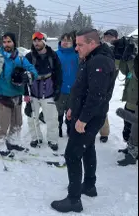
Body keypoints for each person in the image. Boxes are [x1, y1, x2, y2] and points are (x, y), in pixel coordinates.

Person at [51, 28, 116, 213]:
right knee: (88, 148)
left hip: (90, 116)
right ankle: (89, 185)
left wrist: (83, 119)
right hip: (85, 113)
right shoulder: (91, 57)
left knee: (72, 154)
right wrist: (73, 107)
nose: (76, 48)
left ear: (92, 43)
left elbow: (96, 95)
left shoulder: (99, 61)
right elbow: (82, 88)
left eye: (80, 45)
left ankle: (74, 200)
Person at [24, 32, 62, 151]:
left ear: (44, 41)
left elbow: (59, 73)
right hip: (33, 92)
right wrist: (25, 93)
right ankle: (36, 138)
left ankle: (52, 140)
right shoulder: (29, 57)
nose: (36, 43)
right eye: (34, 41)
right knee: (32, 117)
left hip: (49, 91)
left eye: (39, 40)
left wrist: (57, 90)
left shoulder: (53, 56)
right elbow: (23, 75)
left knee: (52, 119)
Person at [97, 29, 119, 143]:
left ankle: (104, 133)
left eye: (111, 36)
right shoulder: (99, 47)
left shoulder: (118, 50)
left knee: (102, 107)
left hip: (108, 83)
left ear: (116, 38)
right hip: (96, 78)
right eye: (107, 36)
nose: (108, 38)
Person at [55, 32, 79, 138]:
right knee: (58, 112)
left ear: (72, 42)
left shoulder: (77, 54)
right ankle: (58, 128)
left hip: (74, 90)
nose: (65, 43)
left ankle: (70, 129)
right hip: (60, 89)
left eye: (68, 41)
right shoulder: (56, 54)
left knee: (71, 112)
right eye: (64, 40)